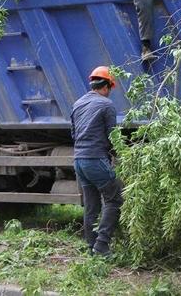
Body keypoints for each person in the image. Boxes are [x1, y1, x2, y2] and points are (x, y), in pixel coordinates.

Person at [71, 66, 123, 256]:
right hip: (95, 159)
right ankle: (101, 245)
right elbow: (112, 137)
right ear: (107, 86)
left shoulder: (78, 104)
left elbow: (73, 133)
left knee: (92, 205)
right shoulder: (106, 104)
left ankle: (90, 247)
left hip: (78, 161)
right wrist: (121, 156)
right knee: (115, 198)